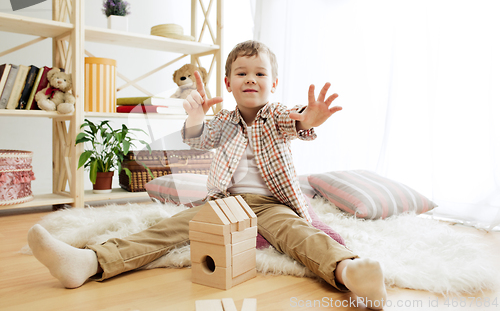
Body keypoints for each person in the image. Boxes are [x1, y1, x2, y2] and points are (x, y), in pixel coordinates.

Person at [28, 40, 387, 309]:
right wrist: (197, 116)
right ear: (229, 84)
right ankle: (91, 262)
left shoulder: (276, 115)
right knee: (166, 229)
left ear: (273, 84)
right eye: (242, 73)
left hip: (272, 205)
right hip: (225, 204)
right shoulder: (224, 121)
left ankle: (349, 271)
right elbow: (199, 140)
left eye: (260, 73)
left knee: (299, 236)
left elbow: (298, 121)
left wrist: (309, 118)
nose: (251, 79)